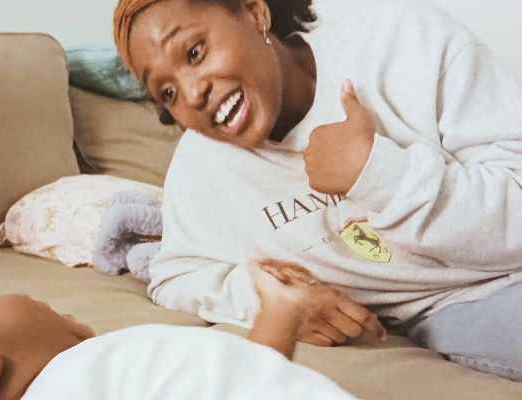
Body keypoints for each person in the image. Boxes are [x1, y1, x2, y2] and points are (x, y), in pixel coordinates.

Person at [113, 0, 522, 380]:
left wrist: (378, 175)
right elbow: (173, 276)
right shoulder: (198, 169)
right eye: (167, 92)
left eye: (194, 52)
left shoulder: (404, 42)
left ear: (255, 13)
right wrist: (275, 302)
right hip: (458, 306)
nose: (192, 93)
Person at [0, 267, 360, 400]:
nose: (8, 294)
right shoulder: (87, 370)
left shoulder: (106, 379)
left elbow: (239, 379)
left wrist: (281, 312)